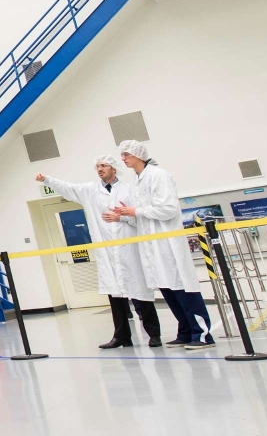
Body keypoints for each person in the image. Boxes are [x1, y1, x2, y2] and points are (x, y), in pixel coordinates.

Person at [36, 157, 161, 349]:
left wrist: (122, 217)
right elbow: (69, 188)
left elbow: (140, 218)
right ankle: (122, 337)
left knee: (141, 292)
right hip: (107, 252)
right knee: (115, 295)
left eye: (104, 166)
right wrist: (47, 180)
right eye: (97, 167)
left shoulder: (130, 189)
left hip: (130, 250)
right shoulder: (90, 191)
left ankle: (154, 334)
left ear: (114, 168)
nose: (100, 169)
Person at [107, 139, 215, 350]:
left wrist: (136, 211)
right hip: (153, 246)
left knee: (182, 287)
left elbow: (168, 210)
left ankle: (201, 334)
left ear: (138, 154)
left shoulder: (158, 175)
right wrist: (125, 215)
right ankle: (185, 331)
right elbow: (144, 215)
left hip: (168, 244)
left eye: (126, 155)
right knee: (168, 289)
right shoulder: (138, 181)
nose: (123, 159)